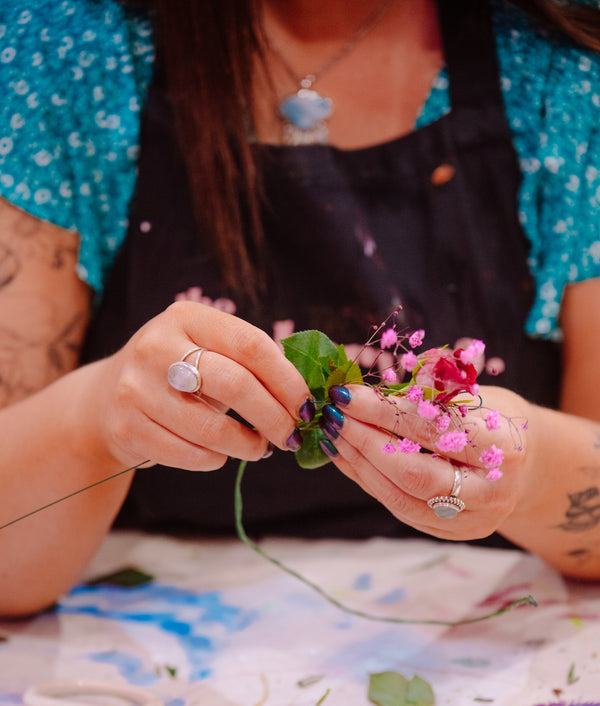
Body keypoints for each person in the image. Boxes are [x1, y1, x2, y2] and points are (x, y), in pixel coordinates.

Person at [1, 0, 600, 615]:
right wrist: (94, 414)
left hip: (483, 640)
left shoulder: (566, 65)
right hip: (151, 638)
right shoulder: (68, 47)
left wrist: (529, 475)